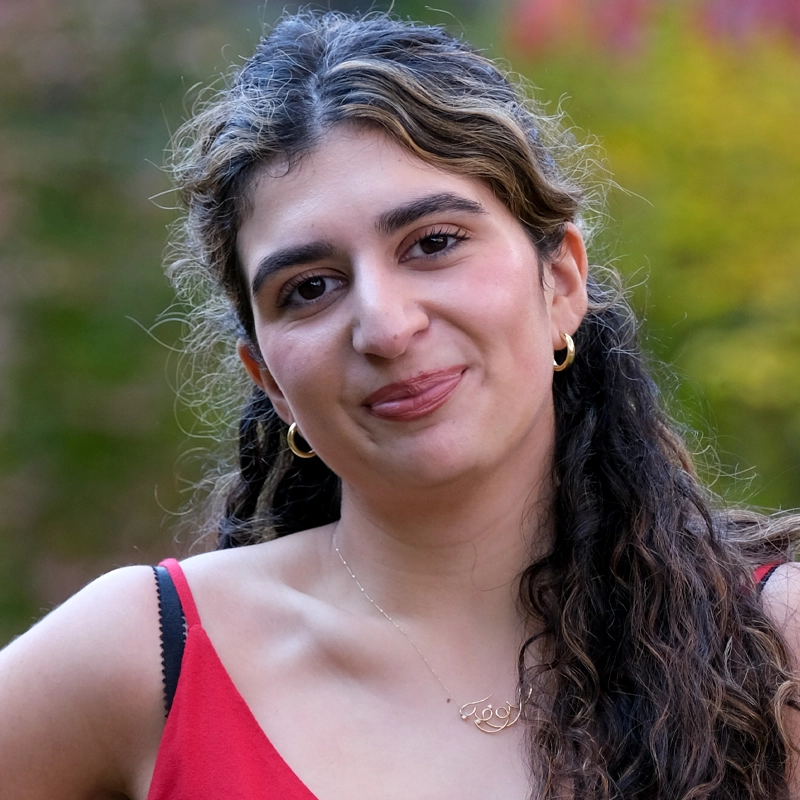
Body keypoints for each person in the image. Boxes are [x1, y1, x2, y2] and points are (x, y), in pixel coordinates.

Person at [1, 9, 799, 799]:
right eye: (309, 289)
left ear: (560, 281)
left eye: (433, 243)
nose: (385, 326)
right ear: (268, 377)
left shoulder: (775, 648)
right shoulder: (149, 658)